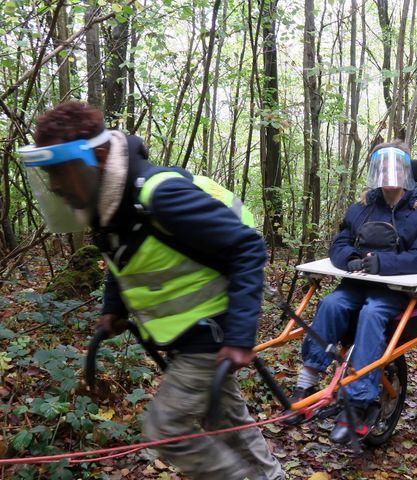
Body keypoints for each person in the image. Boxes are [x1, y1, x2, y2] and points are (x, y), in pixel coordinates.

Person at [18, 102, 284, 480]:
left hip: (211, 331)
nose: (58, 186)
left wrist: (240, 338)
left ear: (99, 157)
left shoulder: (160, 195)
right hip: (184, 332)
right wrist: (113, 308)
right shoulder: (111, 207)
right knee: (226, 417)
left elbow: (247, 247)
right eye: (50, 175)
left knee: (170, 430)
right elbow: (122, 262)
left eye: (62, 172)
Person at [285, 140, 417, 444]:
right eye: (382, 166)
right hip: (356, 285)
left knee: (372, 313)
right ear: (375, 171)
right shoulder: (362, 207)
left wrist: (381, 263)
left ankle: (358, 403)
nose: (389, 173)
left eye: (395, 166)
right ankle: (306, 385)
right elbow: (340, 243)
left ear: (405, 170)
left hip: (396, 292)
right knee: (332, 303)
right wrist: (349, 259)